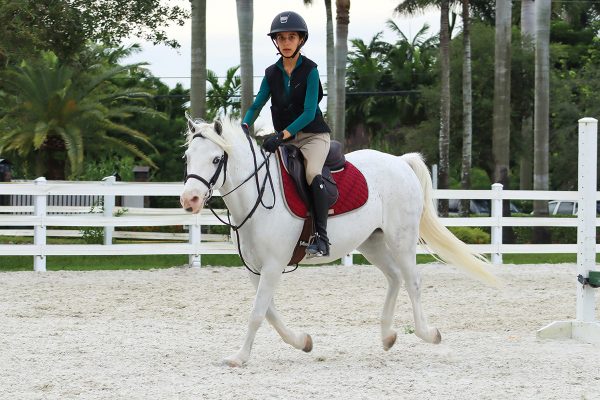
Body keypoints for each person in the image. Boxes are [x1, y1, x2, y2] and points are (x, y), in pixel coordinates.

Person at [241, 10, 332, 258]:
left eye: (292, 37)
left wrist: (281, 135)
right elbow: (256, 105)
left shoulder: (311, 71)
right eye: (281, 38)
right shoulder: (271, 73)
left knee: (312, 173)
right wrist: (244, 126)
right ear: (276, 42)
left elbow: (309, 111)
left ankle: (322, 238)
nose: (286, 42)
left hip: (313, 136)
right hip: (286, 137)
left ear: (300, 40)